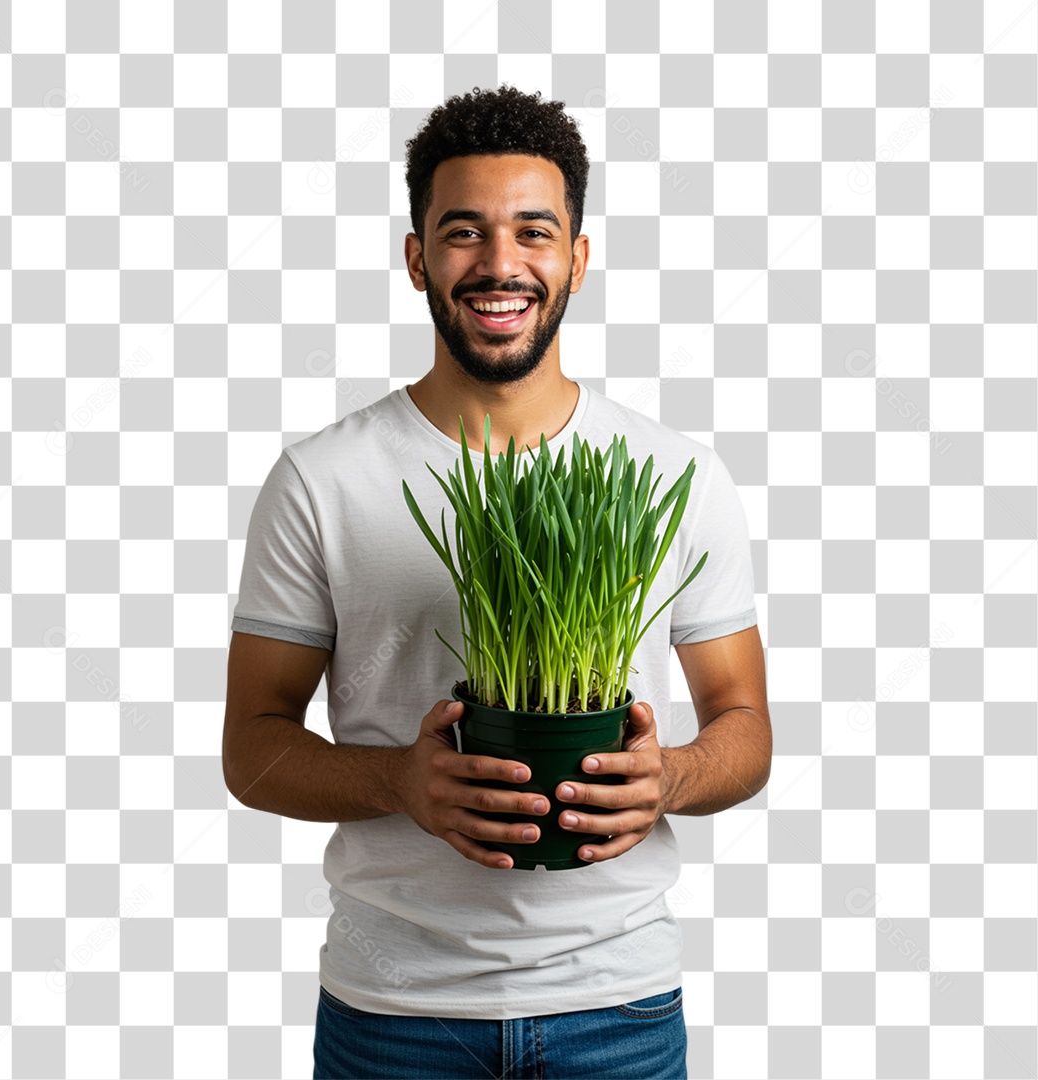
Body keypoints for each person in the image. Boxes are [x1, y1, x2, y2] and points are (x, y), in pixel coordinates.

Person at [223, 83, 771, 1080]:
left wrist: (672, 778)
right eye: (463, 232)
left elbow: (745, 726)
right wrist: (399, 780)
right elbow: (249, 751)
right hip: (394, 1010)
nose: (500, 262)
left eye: (534, 230)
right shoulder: (321, 479)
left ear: (578, 259)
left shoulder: (674, 476)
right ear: (417, 258)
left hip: (619, 1005)